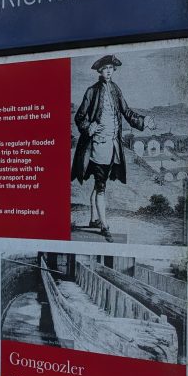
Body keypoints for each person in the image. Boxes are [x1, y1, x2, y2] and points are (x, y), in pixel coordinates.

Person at [71, 54, 154, 241]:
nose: (108, 71)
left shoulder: (115, 89)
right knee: (101, 186)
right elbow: (79, 117)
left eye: (111, 68)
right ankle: (105, 227)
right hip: (97, 146)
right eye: (105, 68)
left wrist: (143, 121)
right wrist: (88, 126)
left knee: (101, 183)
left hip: (113, 145)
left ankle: (94, 219)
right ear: (100, 71)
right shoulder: (91, 91)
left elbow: (126, 111)